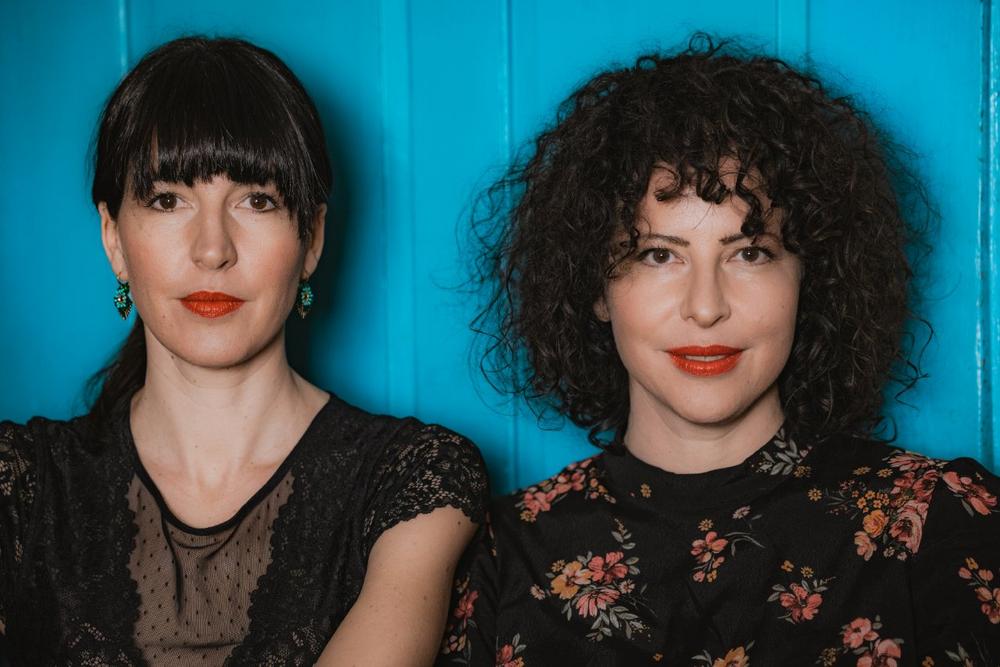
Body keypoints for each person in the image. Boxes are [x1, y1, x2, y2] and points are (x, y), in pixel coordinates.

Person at [438, 37, 1000, 665]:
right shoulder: (501, 557)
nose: (705, 308)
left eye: (750, 253)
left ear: (808, 279)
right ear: (595, 288)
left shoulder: (934, 521)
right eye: (659, 255)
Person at [0, 36, 488, 665]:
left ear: (312, 239)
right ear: (113, 238)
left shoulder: (414, 478)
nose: (213, 249)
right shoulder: (21, 485)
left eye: (257, 201)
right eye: (168, 200)